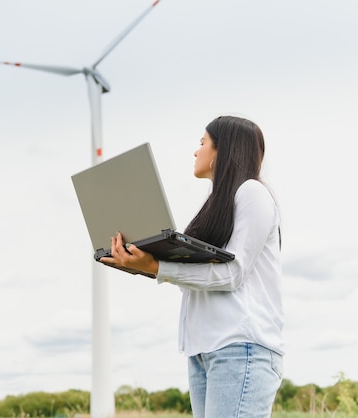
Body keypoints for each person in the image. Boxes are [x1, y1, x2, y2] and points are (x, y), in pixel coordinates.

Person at [101, 115, 284, 418]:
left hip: (241, 348)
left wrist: (158, 267)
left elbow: (232, 274)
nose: (195, 151)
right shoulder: (216, 203)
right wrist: (146, 261)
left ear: (222, 149)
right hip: (205, 351)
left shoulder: (252, 192)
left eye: (202, 143)